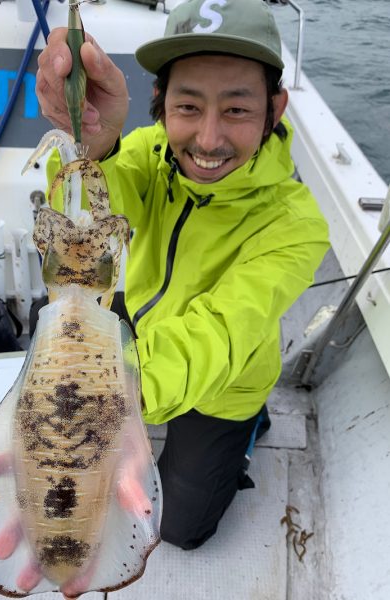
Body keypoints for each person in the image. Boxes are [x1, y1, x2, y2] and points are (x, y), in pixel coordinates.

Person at [36, 0, 330, 554]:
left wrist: (116, 397)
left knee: (179, 529)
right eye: (188, 106)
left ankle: (250, 426)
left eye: (237, 110)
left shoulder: (297, 225)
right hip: (143, 324)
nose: (209, 139)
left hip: (225, 377)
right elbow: (85, 227)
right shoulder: (147, 153)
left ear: (276, 108)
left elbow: (221, 330)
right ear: (160, 105)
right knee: (47, 325)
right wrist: (92, 148)